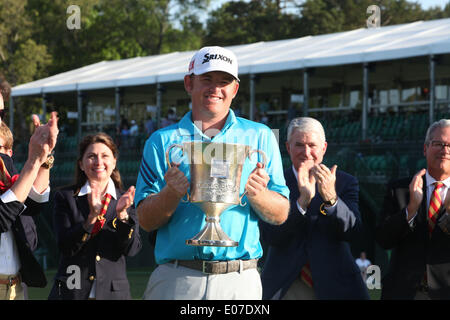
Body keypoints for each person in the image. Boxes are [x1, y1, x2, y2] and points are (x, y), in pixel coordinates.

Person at [135, 46, 290, 300]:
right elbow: (145, 220)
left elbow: (281, 213)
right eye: (206, 79)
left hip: (240, 279)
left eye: (224, 82)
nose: (215, 89)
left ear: (235, 89)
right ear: (189, 83)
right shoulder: (161, 141)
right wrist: (170, 194)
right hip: (176, 276)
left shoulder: (261, 136)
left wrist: (258, 195)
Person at [259, 117, 369, 300]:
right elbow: (271, 236)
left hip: (336, 286)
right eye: (299, 145)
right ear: (288, 147)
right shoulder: (274, 183)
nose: (306, 152)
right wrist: (301, 203)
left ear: (324, 148)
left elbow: (353, 233)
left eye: (312, 145)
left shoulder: (345, 182)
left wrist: (331, 200)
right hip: (285, 286)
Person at [48, 133, 141, 300]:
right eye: (91, 156)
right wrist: (91, 218)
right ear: (81, 164)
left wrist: (122, 216)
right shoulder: (65, 197)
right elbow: (65, 246)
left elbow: (131, 249)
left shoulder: (126, 199)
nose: (99, 162)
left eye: (105, 156)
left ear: (114, 162)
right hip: (71, 293)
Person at [376, 119, 450, 300]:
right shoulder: (401, 189)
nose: (445, 150)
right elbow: (383, 240)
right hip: (403, 293)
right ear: (425, 149)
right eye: (438, 143)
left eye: (449, 145)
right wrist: (411, 210)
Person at [0, 75, 58, 300]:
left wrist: (44, 158)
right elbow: (2, 216)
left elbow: (32, 205)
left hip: (15, 286)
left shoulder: (3, 163)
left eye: (2, 114)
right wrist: (33, 161)